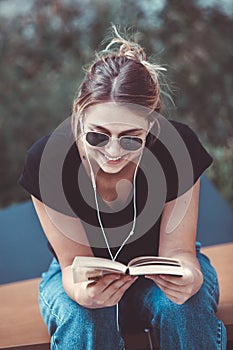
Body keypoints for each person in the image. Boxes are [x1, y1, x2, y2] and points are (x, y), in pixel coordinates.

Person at [19, 26, 226, 350]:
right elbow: (73, 265)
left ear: (151, 126)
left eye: (131, 138)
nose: (113, 152)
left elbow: (180, 254)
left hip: (158, 276)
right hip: (77, 277)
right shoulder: (47, 161)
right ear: (79, 116)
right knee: (86, 315)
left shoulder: (177, 149)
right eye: (97, 136)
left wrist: (190, 278)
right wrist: (83, 292)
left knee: (186, 307)